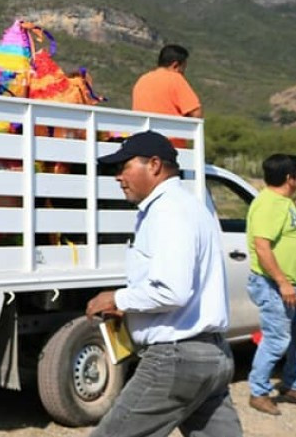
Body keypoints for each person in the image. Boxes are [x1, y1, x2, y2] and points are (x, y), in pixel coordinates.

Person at [86, 131, 241, 437]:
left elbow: (172, 291)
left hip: (177, 358)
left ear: (154, 165)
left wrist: (117, 299)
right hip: (212, 357)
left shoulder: (169, 211)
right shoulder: (188, 206)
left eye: (123, 167)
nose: (118, 177)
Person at [246, 153, 296, 414]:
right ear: (290, 178)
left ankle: (294, 385)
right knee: (276, 339)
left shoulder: (282, 202)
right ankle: (258, 392)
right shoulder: (269, 204)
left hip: (293, 286)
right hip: (275, 285)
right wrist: (282, 282)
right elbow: (262, 246)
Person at [131, 44, 202, 117]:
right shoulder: (175, 79)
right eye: (183, 68)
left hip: (140, 124)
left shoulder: (142, 80)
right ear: (175, 65)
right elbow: (196, 114)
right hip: (168, 124)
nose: (183, 73)